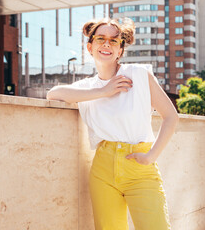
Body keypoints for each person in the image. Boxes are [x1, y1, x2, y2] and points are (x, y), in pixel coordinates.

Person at [46, 18, 179, 230]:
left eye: (114, 41)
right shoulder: (88, 86)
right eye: (101, 39)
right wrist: (103, 91)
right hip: (103, 168)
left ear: (120, 50)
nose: (107, 44)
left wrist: (151, 156)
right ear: (90, 47)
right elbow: (53, 94)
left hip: (140, 165)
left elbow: (171, 116)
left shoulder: (137, 75)